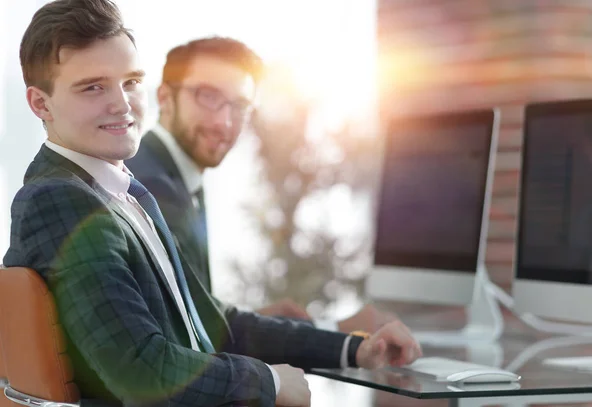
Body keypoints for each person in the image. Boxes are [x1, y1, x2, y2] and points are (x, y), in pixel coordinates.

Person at [3, 1, 421, 407]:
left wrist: (354, 348)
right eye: (93, 87)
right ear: (41, 104)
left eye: (129, 81)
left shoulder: (123, 196)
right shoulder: (60, 199)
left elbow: (213, 324)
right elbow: (140, 371)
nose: (122, 102)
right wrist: (270, 382)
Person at [126, 37, 397, 334]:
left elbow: (195, 316)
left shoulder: (175, 175)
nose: (225, 122)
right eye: (207, 96)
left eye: (240, 105)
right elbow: (198, 335)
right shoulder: (152, 185)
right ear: (164, 98)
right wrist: (336, 330)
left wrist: (263, 318)